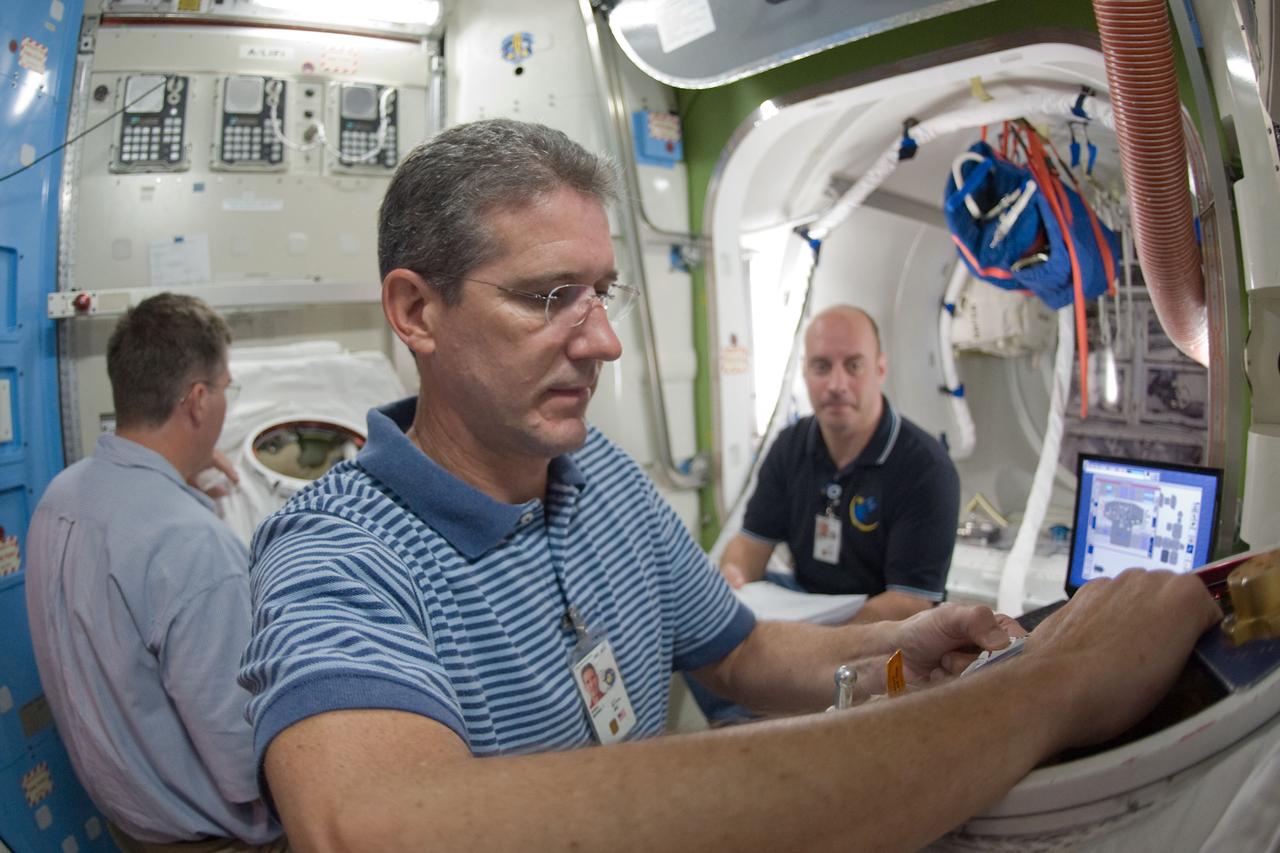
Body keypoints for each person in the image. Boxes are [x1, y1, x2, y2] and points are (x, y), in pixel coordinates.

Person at [237, 119, 1220, 851]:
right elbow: (368, 826)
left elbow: (740, 653)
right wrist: (1052, 691)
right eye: (547, 298)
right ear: (416, 310)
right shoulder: (338, 556)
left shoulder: (598, 479)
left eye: (601, 295)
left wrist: (894, 644)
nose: (604, 342)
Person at [25, 293, 284, 853]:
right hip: (217, 840)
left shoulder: (60, 497)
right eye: (223, 388)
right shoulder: (194, 548)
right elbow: (245, 762)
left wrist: (186, 484)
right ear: (197, 401)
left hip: (133, 824)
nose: (222, 403)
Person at [720, 305, 960, 624]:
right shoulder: (790, 446)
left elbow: (908, 605)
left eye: (853, 366)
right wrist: (732, 577)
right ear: (804, 373)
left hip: (882, 627)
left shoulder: (925, 468)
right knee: (705, 641)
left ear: (880, 369)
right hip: (807, 599)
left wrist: (800, 642)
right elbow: (749, 547)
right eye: (821, 366)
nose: (836, 384)